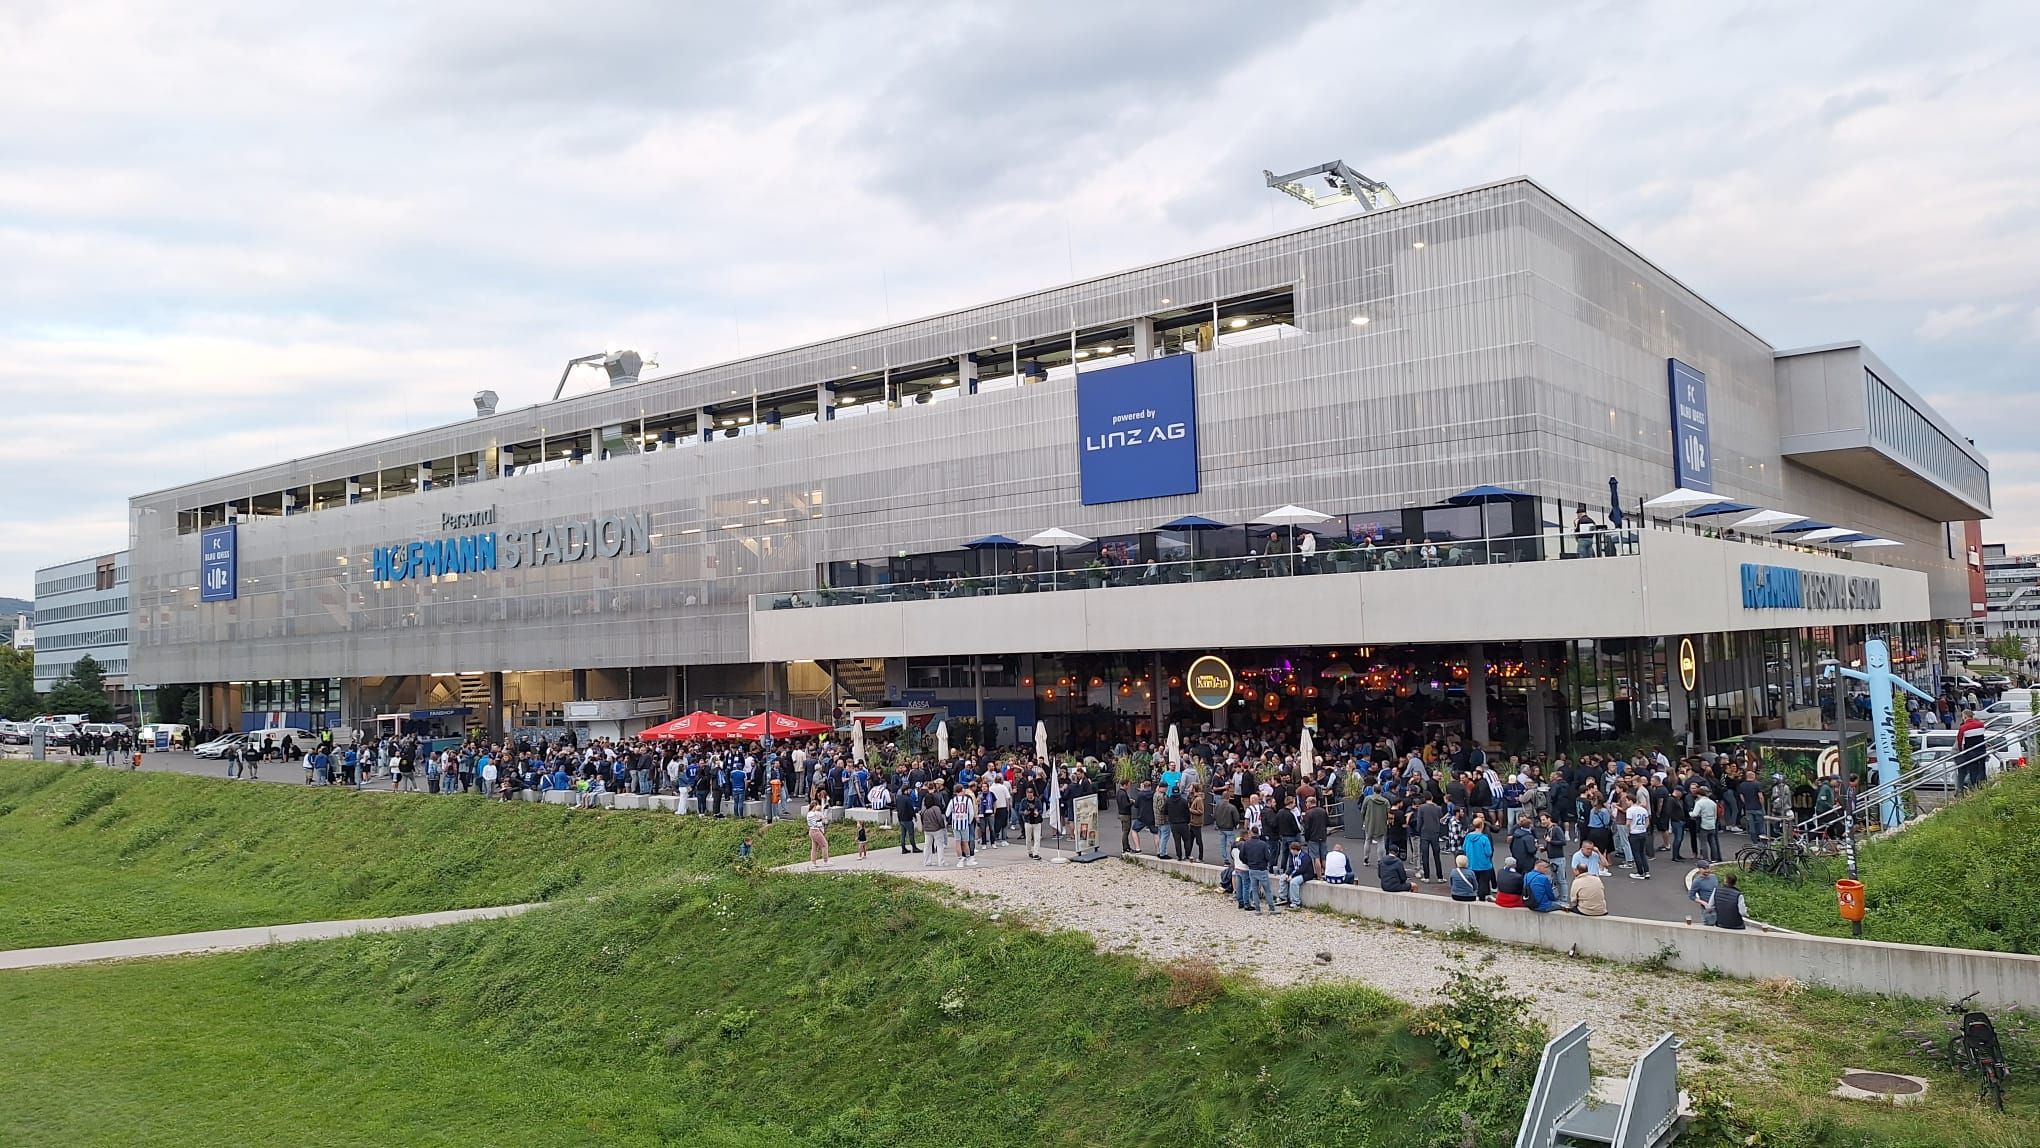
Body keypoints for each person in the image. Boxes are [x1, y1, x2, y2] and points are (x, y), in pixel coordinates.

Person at [1624, 792, 1652, 880]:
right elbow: (1647, 821)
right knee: (1642, 853)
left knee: (1636, 853)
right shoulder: (1643, 809)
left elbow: (1628, 823)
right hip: (1642, 832)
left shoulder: (1630, 810)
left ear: (1630, 801)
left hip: (1634, 833)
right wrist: (1644, 828)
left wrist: (1628, 831)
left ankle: (1640, 872)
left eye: (1627, 801)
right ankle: (1646, 871)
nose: (1626, 802)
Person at [1279, 840, 1313, 910]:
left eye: (1291, 850)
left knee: (1294, 882)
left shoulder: (1305, 857)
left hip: (1305, 874)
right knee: (1283, 878)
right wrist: (1287, 874)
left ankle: (1296, 902)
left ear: (1295, 850)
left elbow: (1302, 869)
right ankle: (1283, 897)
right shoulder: (1292, 855)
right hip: (1295, 872)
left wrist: (1292, 876)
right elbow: (1291, 866)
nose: (1290, 851)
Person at [1687, 860, 1720, 927]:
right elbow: (1691, 895)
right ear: (1699, 869)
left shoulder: (1714, 877)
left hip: (1718, 908)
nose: (1707, 870)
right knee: (1709, 928)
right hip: (1708, 910)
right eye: (1704, 869)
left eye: (1708, 868)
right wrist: (1704, 903)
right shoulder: (1697, 881)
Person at [804, 799, 830, 867]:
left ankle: (813, 863)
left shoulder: (809, 813)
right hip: (816, 831)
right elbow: (822, 820)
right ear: (815, 806)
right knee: (824, 845)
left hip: (811, 831)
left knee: (814, 848)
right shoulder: (815, 814)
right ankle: (826, 861)